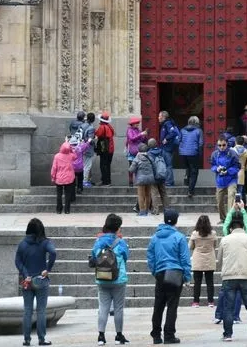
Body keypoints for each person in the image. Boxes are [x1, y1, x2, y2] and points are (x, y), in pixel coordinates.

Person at [147, 208, 192, 345]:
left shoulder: (155, 237)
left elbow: (150, 257)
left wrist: (155, 271)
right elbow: (184, 258)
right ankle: (169, 334)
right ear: (176, 221)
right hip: (175, 272)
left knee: (158, 304)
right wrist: (187, 276)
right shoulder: (179, 237)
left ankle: (156, 334)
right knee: (172, 305)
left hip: (160, 272)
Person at [220, 211, 247, 341]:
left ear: (231, 227)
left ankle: (228, 334)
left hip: (229, 276)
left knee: (228, 307)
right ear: (243, 226)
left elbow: (219, 258)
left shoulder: (225, 240)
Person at [14, 218, 56, 347]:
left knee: (27, 311)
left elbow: (18, 262)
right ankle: (42, 339)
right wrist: (47, 269)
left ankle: (26, 339)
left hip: (27, 281)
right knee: (41, 311)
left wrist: (25, 274)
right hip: (41, 280)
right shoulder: (44, 242)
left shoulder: (22, 244)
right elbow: (53, 252)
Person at [92, 214, 130, 345]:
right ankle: (119, 336)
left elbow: (94, 255)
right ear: (117, 228)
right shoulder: (121, 242)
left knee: (103, 307)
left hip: (102, 278)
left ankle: (101, 336)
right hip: (119, 279)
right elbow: (126, 257)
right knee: (118, 308)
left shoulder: (98, 242)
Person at [211, 136, 241, 223]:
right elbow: (212, 165)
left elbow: (237, 166)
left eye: (223, 145)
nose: (221, 147)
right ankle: (223, 218)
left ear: (227, 144)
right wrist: (216, 169)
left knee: (231, 197)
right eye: (219, 145)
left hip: (231, 179)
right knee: (219, 201)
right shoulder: (214, 154)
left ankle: (230, 218)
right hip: (220, 180)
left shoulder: (233, 153)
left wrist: (228, 171)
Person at [189, 215, 217, 308]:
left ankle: (196, 302)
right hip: (209, 259)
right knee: (210, 282)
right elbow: (215, 245)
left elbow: (190, 247)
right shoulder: (213, 234)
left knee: (197, 282)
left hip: (198, 259)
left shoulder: (194, 234)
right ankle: (211, 301)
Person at [179, 116, 203, 197]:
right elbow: (200, 143)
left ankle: (187, 180)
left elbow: (179, 140)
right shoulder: (199, 131)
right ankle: (190, 190)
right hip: (193, 153)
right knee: (194, 171)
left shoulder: (182, 130)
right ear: (197, 122)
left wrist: (181, 149)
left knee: (188, 167)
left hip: (183, 153)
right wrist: (199, 154)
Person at [130, 143, 155, 216]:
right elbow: (154, 167)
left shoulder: (137, 158)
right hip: (150, 178)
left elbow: (131, 169)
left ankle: (142, 211)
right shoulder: (150, 157)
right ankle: (147, 210)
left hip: (141, 179)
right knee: (148, 195)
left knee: (141, 195)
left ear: (138, 150)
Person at [50, 141, 76, 214]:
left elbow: (54, 168)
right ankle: (67, 210)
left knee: (59, 195)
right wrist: (71, 149)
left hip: (59, 178)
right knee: (67, 195)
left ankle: (59, 210)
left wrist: (53, 176)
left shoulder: (57, 156)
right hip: (69, 178)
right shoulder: (71, 155)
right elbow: (75, 156)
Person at [147, 139, 171, 215]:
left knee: (154, 193)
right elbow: (168, 163)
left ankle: (156, 210)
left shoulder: (149, 154)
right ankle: (167, 209)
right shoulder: (162, 151)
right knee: (163, 192)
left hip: (153, 176)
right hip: (162, 175)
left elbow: (148, 166)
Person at [158, 111, 181, 186]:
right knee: (167, 165)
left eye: (159, 116)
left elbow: (173, 132)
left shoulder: (167, 123)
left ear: (163, 117)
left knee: (168, 165)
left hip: (167, 148)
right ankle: (169, 181)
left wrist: (166, 139)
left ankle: (169, 182)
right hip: (167, 148)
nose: (158, 118)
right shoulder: (167, 123)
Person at [94, 111, 116, 186]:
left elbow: (97, 134)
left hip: (104, 148)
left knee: (103, 165)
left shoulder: (102, 127)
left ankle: (105, 181)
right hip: (110, 149)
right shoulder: (109, 126)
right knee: (107, 165)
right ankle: (108, 181)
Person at [125, 117, 148, 186]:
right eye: (136, 123)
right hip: (132, 151)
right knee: (131, 166)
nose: (138, 124)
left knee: (139, 166)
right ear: (132, 124)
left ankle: (138, 180)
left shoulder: (138, 130)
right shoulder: (129, 130)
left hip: (138, 151)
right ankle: (131, 181)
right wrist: (140, 134)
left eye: (138, 123)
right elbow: (132, 138)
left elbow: (142, 140)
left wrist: (144, 135)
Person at [82, 112, 97, 188]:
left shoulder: (82, 125)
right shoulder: (91, 128)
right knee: (87, 166)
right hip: (88, 149)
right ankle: (85, 181)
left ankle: (84, 180)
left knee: (84, 165)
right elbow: (89, 140)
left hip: (81, 147)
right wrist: (95, 139)